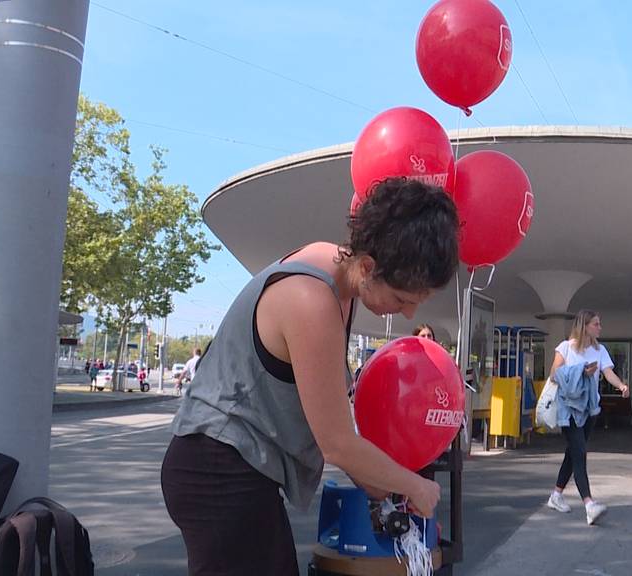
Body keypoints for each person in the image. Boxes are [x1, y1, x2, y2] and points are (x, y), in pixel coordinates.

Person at [160, 178, 458, 575]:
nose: (406, 315)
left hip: (234, 470)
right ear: (368, 266)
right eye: (403, 299)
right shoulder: (310, 300)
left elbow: (333, 425)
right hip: (217, 470)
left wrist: (382, 484)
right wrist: (416, 485)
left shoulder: (336, 269)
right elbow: (336, 443)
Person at [545, 310, 630, 526]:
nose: (600, 328)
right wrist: (581, 371)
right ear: (585, 326)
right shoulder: (565, 347)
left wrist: (620, 385)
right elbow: (554, 373)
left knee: (573, 452)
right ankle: (589, 504)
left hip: (589, 408)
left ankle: (556, 495)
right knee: (579, 452)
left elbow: (608, 372)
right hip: (569, 409)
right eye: (596, 324)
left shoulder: (599, 350)